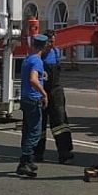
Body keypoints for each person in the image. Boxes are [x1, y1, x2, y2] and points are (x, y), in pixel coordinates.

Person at [34, 34, 73, 164]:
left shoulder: (56, 52)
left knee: (61, 123)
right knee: (40, 124)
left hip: (55, 91)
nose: (51, 44)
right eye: (49, 42)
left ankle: (65, 153)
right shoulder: (37, 57)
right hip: (42, 91)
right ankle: (37, 153)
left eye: (53, 41)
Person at [16, 33, 48, 178]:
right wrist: (44, 93)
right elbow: (33, 80)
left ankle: (27, 161)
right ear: (44, 46)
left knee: (27, 130)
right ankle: (24, 161)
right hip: (33, 99)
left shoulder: (28, 58)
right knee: (35, 131)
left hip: (24, 98)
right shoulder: (37, 61)